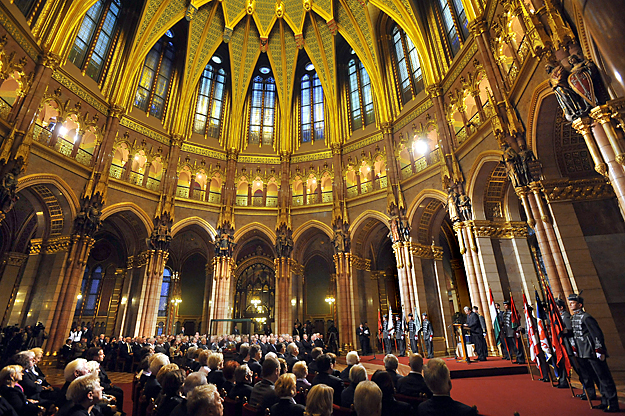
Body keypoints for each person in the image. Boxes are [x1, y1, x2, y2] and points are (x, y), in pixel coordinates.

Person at [568, 293, 619, 412]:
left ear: (580, 305)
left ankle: (613, 403)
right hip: (582, 353)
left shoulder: (586, 317)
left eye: (573, 302)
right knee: (596, 378)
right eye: (569, 302)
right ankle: (604, 401)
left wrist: (599, 349)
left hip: (591, 352)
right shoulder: (573, 318)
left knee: (604, 378)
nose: (570, 304)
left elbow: (597, 334)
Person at [85, 347, 124, 414]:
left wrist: (110, 384)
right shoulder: (92, 366)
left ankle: (118, 411)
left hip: (105, 385)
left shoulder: (99, 365)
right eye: (101, 354)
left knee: (119, 390)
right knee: (118, 393)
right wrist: (109, 386)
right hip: (101, 388)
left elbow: (105, 378)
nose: (104, 355)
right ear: (95, 356)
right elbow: (97, 382)